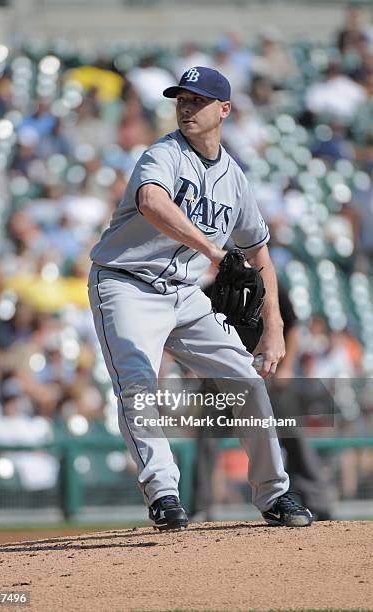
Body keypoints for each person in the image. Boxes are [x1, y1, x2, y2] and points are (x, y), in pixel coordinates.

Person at [87, 66, 313, 530]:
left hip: (185, 294)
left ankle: (275, 495)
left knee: (247, 381)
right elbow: (152, 202)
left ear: (224, 110)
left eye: (198, 100)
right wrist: (214, 250)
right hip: (126, 284)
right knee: (139, 385)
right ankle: (164, 494)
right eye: (181, 99)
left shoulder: (234, 179)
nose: (186, 107)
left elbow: (259, 254)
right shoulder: (162, 154)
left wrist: (273, 330)